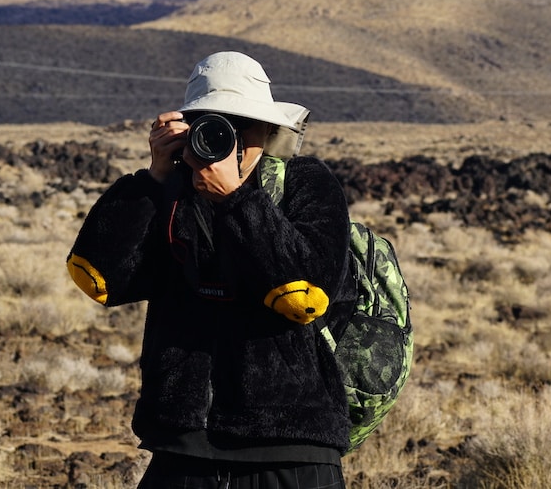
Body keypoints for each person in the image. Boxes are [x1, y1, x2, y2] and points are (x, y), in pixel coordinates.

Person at [67, 50, 352, 488]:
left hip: (290, 446)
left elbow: (306, 293)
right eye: (212, 123)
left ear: (269, 129)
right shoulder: (171, 193)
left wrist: (235, 198)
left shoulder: (305, 183)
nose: (228, 137)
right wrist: (154, 178)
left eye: (243, 125)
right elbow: (100, 279)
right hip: (183, 444)